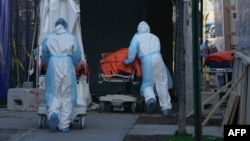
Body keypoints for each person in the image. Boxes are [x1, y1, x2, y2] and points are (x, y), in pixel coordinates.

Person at [41, 18, 82, 132]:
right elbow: (77, 55)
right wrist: (76, 63)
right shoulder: (71, 38)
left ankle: (54, 112)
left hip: (53, 64)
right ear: (65, 27)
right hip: (67, 64)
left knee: (53, 92)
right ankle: (64, 125)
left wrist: (49, 61)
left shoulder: (49, 38)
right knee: (66, 94)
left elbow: (44, 54)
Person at [123, 21, 172, 117]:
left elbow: (132, 50)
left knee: (147, 83)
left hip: (147, 60)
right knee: (161, 82)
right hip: (158, 58)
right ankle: (166, 108)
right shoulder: (155, 37)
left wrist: (128, 61)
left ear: (138, 29)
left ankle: (150, 99)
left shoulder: (136, 37)